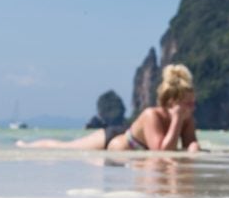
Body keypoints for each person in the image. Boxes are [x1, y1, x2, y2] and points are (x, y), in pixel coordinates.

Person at [17, 64, 201, 152]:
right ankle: (26, 146)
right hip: (113, 137)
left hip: (128, 138)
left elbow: (188, 146)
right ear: (172, 102)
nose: (192, 107)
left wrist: (193, 146)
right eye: (188, 103)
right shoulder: (151, 115)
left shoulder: (188, 120)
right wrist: (176, 120)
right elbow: (161, 153)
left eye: (193, 103)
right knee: (65, 147)